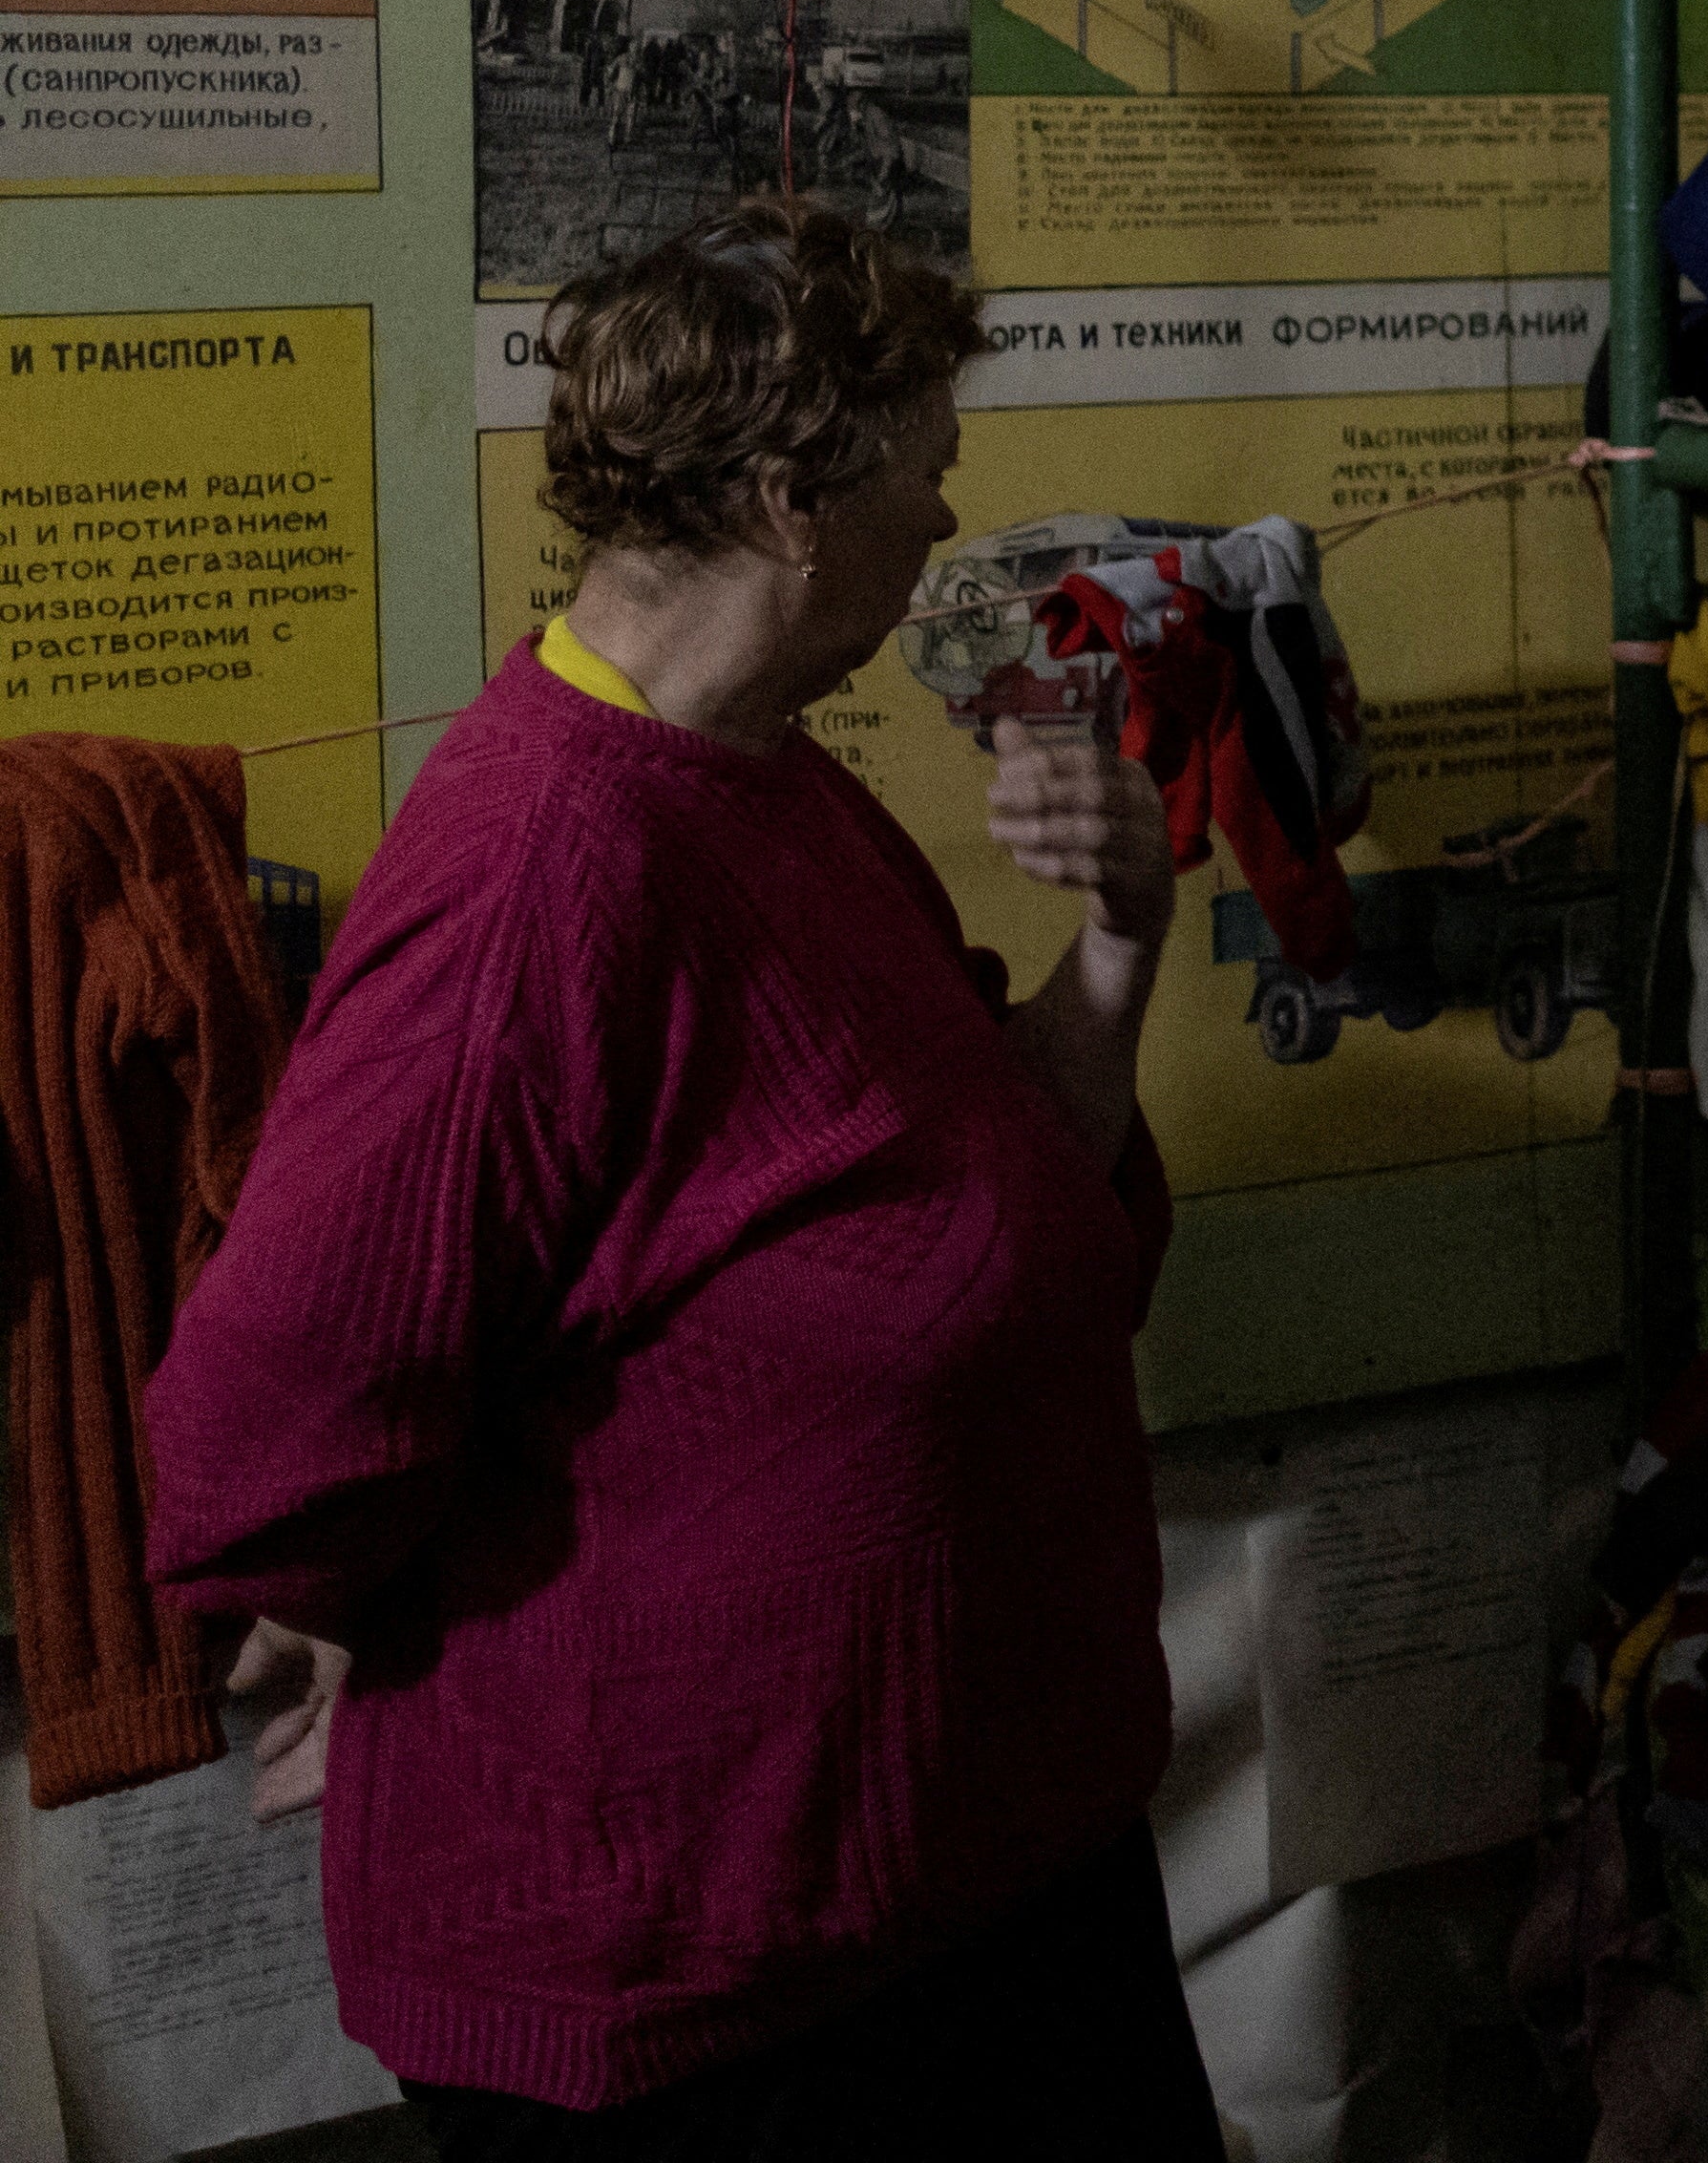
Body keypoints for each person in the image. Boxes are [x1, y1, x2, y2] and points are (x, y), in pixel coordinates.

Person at [144, 196, 1217, 2155]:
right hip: (700, 1982)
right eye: (926, 475)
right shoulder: (533, 879)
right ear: (801, 499)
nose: (938, 527)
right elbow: (249, 1447)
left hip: (982, 1873)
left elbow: (1008, 1210)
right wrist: (344, 1610)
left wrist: (1125, 934)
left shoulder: (780, 788)